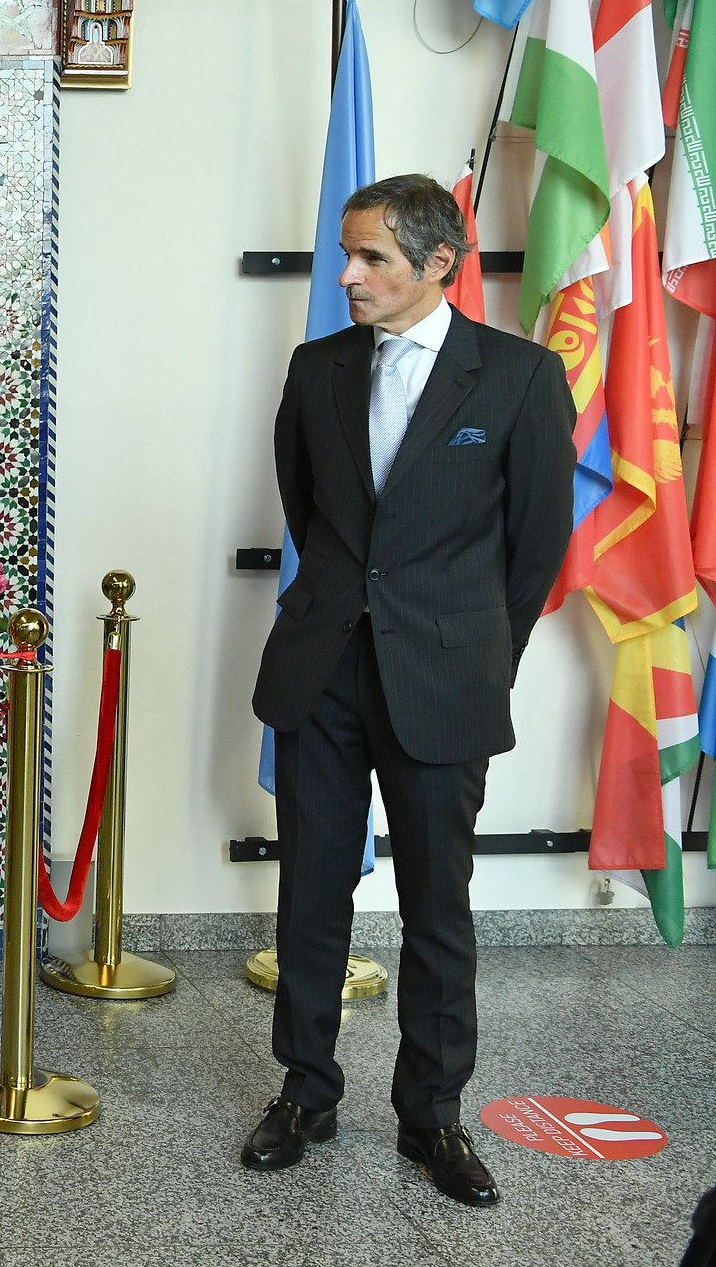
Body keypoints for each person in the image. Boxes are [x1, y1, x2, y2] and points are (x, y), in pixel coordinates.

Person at [246, 175, 576, 1206]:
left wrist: (475, 647)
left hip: (444, 673)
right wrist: (349, 611)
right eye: (344, 255)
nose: (345, 276)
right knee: (309, 896)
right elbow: (308, 516)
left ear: (439, 262)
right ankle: (304, 1091)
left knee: (438, 906)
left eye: (370, 258)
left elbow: (535, 552)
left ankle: (429, 1115)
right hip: (322, 672)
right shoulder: (316, 370)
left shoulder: (519, 377)